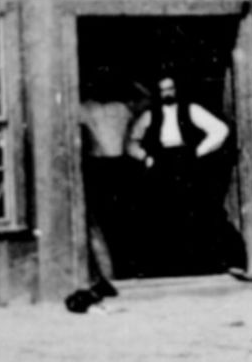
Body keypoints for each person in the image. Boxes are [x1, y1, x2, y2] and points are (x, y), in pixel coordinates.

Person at [131, 73, 231, 275]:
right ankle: (168, 265)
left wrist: (198, 152)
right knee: (163, 214)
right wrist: (145, 158)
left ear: (177, 89)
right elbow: (131, 141)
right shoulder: (149, 115)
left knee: (193, 212)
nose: (167, 93)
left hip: (186, 163)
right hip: (161, 163)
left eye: (170, 88)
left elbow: (220, 130)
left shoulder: (191, 109)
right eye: (163, 90)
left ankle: (198, 264)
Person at [78, 90, 139, 295]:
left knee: (123, 219)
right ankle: (111, 272)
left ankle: (124, 270)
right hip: (100, 165)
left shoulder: (121, 107)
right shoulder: (87, 107)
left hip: (118, 165)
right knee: (106, 220)